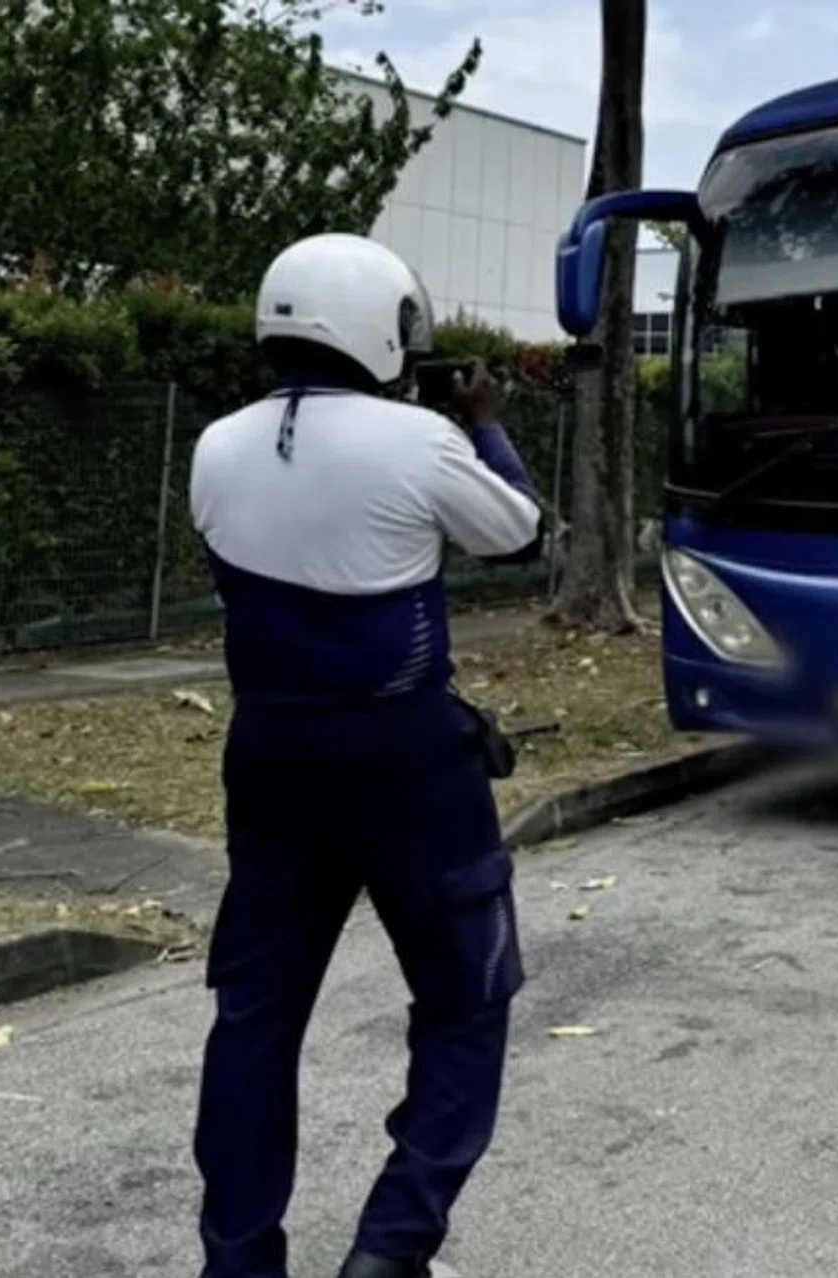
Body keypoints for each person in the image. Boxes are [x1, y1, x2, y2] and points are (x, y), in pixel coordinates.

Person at [189, 233, 543, 1278]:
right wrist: (486, 423)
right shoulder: (422, 440)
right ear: (376, 329)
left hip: (269, 752)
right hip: (407, 760)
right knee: (468, 996)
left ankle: (236, 1260)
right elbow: (518, 534)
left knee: (254, 1019)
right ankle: (391, 1248)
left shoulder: (213, 448)